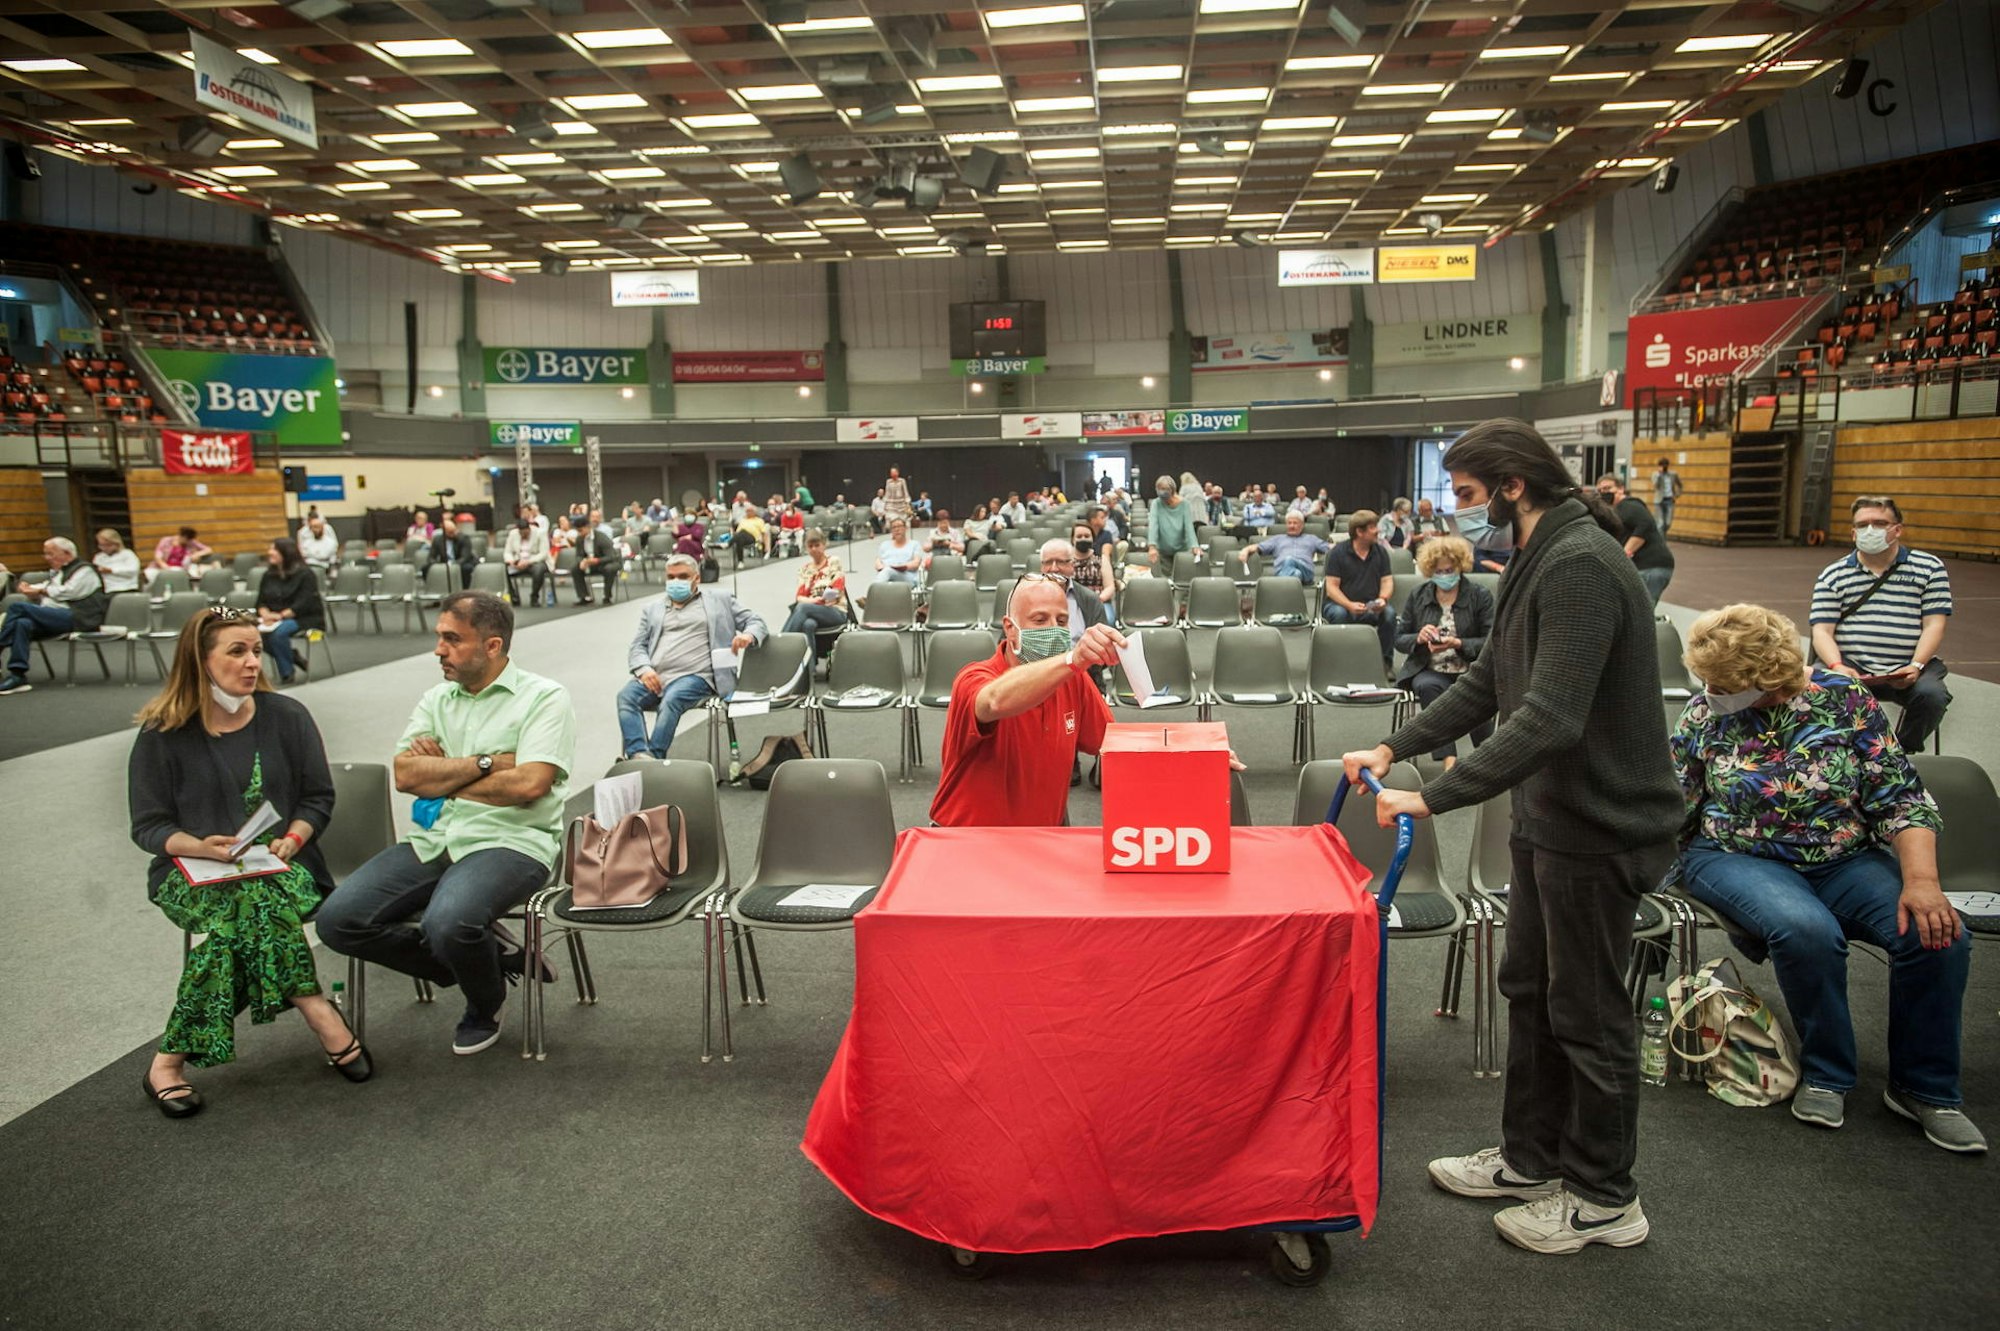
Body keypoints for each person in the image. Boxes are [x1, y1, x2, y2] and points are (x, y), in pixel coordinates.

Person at [1343, 418, 1678, 1256]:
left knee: (1591, 1014)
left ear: (1513, 484)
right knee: (1530, 989)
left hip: (1598, 828)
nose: (1455, 512)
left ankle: (1604, 1197)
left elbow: (1550, 716)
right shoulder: (1536, 553)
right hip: (1548, 821)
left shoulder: (1580, 564)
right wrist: (1397, 744)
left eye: (1464, 494)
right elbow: (1492, 679)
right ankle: (1532, 1159)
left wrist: (1436, 795)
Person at [1671, 603, 1980, 1152]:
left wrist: (1923, 881)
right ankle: (1827, 1071)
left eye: (1722, 683)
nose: (1710, 691)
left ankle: (1925, 1088)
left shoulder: (1844, 698)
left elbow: (1900, 797)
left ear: (1764, 680)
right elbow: (1674, 804)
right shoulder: (1704, 714)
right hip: (1734, 854)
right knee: (1806, 930)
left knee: (1939, 932)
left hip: (1843, 856)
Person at [127, 607, 364, 1118]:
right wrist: (199, 847)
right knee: (251, 908)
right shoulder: (162, 732)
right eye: (237, 651)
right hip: (189, 875)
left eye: (256, 649)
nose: (253, 662)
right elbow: (148, 827)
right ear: (200, 660)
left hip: (286, 867)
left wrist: (293, 839)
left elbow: (318, 799)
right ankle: (317, 1009)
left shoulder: (287, 716)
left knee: (249, 908)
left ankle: (167, 1064)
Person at [316, 591, 575, 1057]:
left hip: (514, 842)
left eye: (452, 639)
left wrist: (445, 779)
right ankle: (481, 960)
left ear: (492, 646)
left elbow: (529, 785)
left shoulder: (544, 698)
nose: (439, 650)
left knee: (449, 921)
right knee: (338, 921)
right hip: (436, 840)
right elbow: (405, 774)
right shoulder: (437, 699)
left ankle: (485, 1000)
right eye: (439, 638)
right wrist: (487, 763)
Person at [928, 574, 1127, 828]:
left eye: (1062, 620)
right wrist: (1072, 660)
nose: (1054, 629)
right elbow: (994, 702)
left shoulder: (1073, 680)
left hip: (1042, 841)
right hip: (969, 844)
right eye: (1040, 620)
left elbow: (1111, 742)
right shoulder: (974, 678)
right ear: (1010, 629)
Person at [1808, 496, 1952, 755]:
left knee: (1932, 696)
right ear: (1853, 533)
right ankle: (1840, 752)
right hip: (1850, 664)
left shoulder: (1930, 568)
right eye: (1862, 525)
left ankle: (1898, 752)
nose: (1870, 530)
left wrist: (1916, 665)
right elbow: (1822, 631)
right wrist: (1837, 665)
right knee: (1815, 691)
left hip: (1910, 665)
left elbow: (1934, 625)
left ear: (1897, 529)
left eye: (1879, 523)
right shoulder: (1833, 574)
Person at [618, 554, 767, 759]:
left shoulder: (720, 600)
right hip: (657, 675)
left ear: (696, 578)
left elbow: (756, 621)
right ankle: (637, 755)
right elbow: (637, 646)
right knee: (626, 697)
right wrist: (644, 669)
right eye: (671, 577)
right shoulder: (652, 609)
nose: (675, 582)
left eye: (682, 576)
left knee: (673, 698)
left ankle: (653, 757)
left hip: (698, 676)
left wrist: (748, 636)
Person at [1394, 536, 1494, 766]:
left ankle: (1487, 758)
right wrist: (1419, 637)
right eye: (1439, 572)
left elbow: (1491, 640)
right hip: (1429, 666)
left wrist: (1458, 644)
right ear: (1430, 571)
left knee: (1473, 692)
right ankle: (1449, 758)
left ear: (1460, 567)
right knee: (1428, 686)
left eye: (1450, 570)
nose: (1445, 576)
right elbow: (1399, 639)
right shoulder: (1418, 595)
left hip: (1470, 667)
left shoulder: (1480, 595)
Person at [0, 537, 107, 696]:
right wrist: (30, 588)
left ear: (66, 553)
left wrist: (40, 591)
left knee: (18, 607)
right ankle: (18, 675)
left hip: (77, 618)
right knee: (22, 623)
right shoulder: (60, 572)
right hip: (56, 617)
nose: (47, 558)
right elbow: (48, 586)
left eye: (50, 554)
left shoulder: (85, 570)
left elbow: (69, 591)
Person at [1320, 509, 1396, 670]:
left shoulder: (1380, 552)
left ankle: (1384, 663)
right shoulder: (1338, 553)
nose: (1378, 530)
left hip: (1371, 604)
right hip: (1340, 604)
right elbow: (1331, 588)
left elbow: (1387, 581)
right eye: (1373, 527)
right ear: (1359, 531)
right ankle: (1341, 662)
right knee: (1339, 614)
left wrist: (1383, 598)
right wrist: (1349, 605)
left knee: (1389, 614)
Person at [255, 537, 325, 687]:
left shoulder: (306, 574)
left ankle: (287, 673)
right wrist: (265, 614)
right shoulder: (268, 575)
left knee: (278, 633)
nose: (270, 552)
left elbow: (304, 604)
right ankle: (293, 656)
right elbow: (260, 601)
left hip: (305, 618)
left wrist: (279, 616)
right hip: (274, 619)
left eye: (274, 550)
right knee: (255, 635)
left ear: (286, 553)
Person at [1597, 474, 1675, 606]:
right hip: (1648, 568)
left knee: (1642, 610)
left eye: (1608, 488)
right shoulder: (1617, 511)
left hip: (1651, 567)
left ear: (1620, 489)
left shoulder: (1628, 506)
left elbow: (1646, 524)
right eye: (1600, 490)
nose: (1604, 493)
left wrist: (1625, 553)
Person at [783, 532, 848, 673]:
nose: (814, 549)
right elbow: (800, 596)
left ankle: (783, 645)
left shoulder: (833, 561)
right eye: (810, 546)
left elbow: (836, 589)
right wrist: (815, 601)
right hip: (813, 609)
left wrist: (815, 601)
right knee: (808, 624)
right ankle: (809, 670)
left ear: (824, 545)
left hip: (836, 611)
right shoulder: (804, 570)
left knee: (803, 608)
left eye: (817, 545)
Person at [1242, 510, 1331, 585]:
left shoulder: (1311, 539)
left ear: (1302, 525)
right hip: (1282, 570)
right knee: (1296, 574)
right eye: (1289, 523)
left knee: (1289, 560)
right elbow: (1257, 547)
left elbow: (1330, 548)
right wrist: (1246, 550)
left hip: (1306, 571)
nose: (1292, 526)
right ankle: (1290, 584)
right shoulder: (1277, 539)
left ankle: (1281, 586)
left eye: (1295, 523)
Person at [1146, 474, 1200, 568]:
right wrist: (1152, 547)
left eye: (1165, 489)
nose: (1162, 492)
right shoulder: (1156, 503)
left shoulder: (1184, 504)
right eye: (1159, 489)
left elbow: (1188, 527)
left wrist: (1194, 546)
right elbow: (1153, 525)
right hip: (1163, 551)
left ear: (1172, 490)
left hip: (1182, 551)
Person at [570, 513, 621, 604]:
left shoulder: (602, 538)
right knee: (575, 568)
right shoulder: (579, 539)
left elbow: (611, 556)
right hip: (590, 563)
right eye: (577, 531)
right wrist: (581, 561)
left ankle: (607, 596)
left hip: (606, 562)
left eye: (581, 530)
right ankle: (584, 597)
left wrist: (596, 560)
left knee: (609, 569)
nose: (579, 533)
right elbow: (578, 555)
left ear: (588, 527)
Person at [502, 517, 550, 607]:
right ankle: (513, 596)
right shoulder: (513, 534)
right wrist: (511, 561)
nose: (523, 535)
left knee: (539, 569)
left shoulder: (540, 533)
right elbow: (507, 552)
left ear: (529, 529)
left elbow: (544, 553)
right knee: (503, 569)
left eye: (525, 533)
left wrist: (528, 562)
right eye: (521, 533)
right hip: (518, 562)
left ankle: (534, 596)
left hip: (535, 561)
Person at [872, 518, 923, 590]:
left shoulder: (914, 544)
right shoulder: (884, 544)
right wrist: (880, 566)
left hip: (906, 575)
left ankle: (872, 596)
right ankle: (874, 595)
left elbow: (916, 563)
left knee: (888, 571)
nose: (897, 529)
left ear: (905, 528)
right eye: (894, 527)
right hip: (886, 573)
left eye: (899, 526)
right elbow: (878, 562)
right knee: (886, 571)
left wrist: (901, 566)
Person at [428, 519, 479, 591]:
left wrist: (452, 564)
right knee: (426, 568)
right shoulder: (437, 540)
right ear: (444, 532)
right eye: (450, 532)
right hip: (445, 563)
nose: (454, 533)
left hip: (461, 563)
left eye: (454, 530)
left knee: (466, 568)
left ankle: (464, 590)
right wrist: (437, 565)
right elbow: (431, 558)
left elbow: (465, 558)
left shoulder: (464, 538)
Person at [1082, 508, 1118, 603]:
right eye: (1102, 517)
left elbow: (1105, 554)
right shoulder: (1083, 534)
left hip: (1099, 570)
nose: (1105, 520)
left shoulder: (1106, 534)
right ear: (1093, 520)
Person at [92, 528, 141, 594]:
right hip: (107, 590)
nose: (104, 548)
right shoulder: (99, 557)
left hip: (127, 588)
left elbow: (133, 571)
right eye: (101, 545)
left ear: (116, 543)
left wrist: (111, 570)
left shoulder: (127, 554)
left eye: (107, 545)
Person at [1652, 457, 1683, 531]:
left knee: (1668, 523)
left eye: (1665, 466)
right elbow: (1656, 486)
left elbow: (1680, 485)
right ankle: (1662, 542)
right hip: (1659, 501)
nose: (1663, 467)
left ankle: (1662, 539)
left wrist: (1676, 495)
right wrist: (1659, 475)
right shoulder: (1655, 475)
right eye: (1661, 466)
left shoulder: (1673, 474)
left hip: (1670, 500)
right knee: (1660, 524)